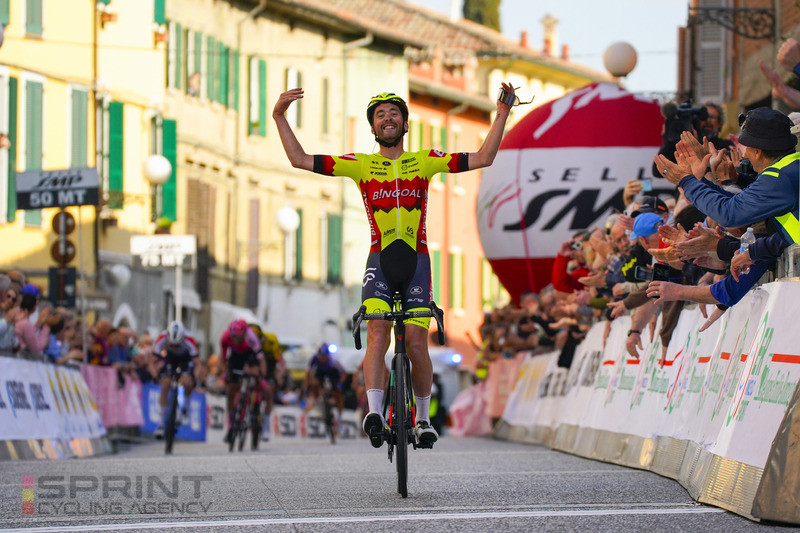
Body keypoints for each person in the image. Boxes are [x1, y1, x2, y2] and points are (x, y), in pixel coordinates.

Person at [273, 82, 517, 449]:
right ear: (373, 129)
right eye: (380, 116)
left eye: (394, 114)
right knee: (376, 334)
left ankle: (421, 420)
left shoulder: (425, 160)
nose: (387, 119)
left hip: (416, 260)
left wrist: (501, 114)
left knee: (418, 344)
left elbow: (483, 157)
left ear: (405, 124)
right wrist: (278, 116)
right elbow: (301, 160)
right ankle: (374, 412)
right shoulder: (360, 164)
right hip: (380, 260)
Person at [219, 318, 265, 444]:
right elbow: (223, 359)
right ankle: (231, 427)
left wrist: (261, 376)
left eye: (238, 337)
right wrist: (225, 373)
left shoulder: (251, 338)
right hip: (235, 357)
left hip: (249, 355)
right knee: (230, 390)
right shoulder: (225, 338)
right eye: (233, 337)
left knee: (255, 374)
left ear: (244, 334)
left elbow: (260, 360)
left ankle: (254, 407)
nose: (235, 340)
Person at [153, 320, 198, 437]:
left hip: (186, 359)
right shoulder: (161, 338)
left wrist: (193, 377)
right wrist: (155, 375)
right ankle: (161, 424)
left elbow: (197, 363)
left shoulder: (190, 339)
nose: (174, 347)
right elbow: (152, 360)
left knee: (187, 382)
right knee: (165, 384)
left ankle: (185, 408)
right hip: (169, 358)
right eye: (172, 344)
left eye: (177, 345)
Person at [305, 343, 345, 413]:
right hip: (321, 373)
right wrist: (308, 385)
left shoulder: (333, 360)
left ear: (327, 356)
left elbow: (344, 372)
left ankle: (340, 412)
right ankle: (315, 402)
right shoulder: (314, 358)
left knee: (338, 392)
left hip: (333, 373)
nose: (322, 359)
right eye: (321, 357)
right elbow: (308, 372)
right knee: (314, 385)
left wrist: (340, 382)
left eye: (324, 357)